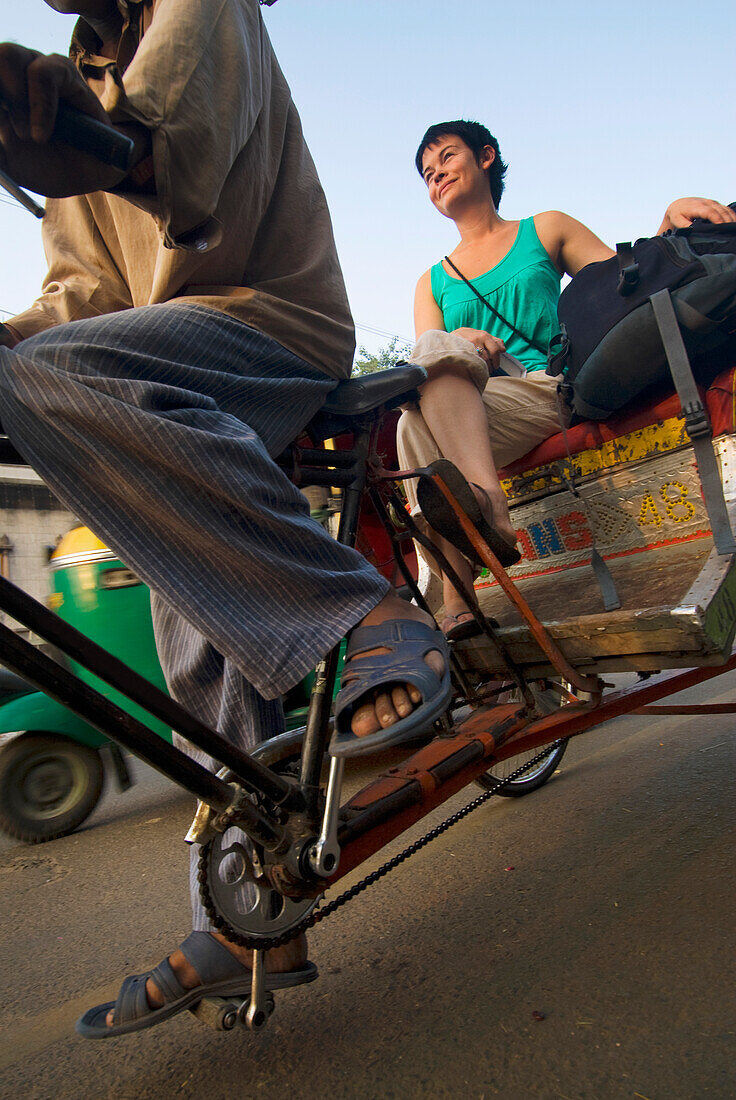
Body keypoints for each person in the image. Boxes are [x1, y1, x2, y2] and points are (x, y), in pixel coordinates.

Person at [0, 0, 451, 1037]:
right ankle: (252, 906)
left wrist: (82, 142)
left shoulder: (198, 6)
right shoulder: (80, 65)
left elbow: (174, 156)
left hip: (271, 321)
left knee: (62, 374)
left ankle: (358, 610)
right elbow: (76, 296)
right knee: (181, 590)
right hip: (146, 352)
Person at [397, 119, 736, 639]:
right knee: (416, 401)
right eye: (425, 173)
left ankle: (467, 569)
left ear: (485, 156)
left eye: (445, 157)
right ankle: (475, 561)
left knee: (417, 411)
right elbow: (430, 364)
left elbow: (623, 288)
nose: (435, 175)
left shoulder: (544, 228)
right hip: (475, 408)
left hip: (548, 387)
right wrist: (465, 339)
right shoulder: (432, 280)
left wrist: (667, 226)